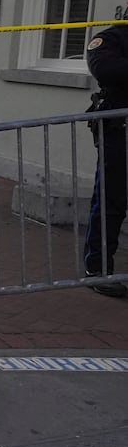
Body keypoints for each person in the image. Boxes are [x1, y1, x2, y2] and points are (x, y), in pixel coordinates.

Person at [84, 17, 128, 298]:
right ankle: (98, 269)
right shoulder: (111, 38)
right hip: (119, 133)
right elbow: (106, 69)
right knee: (111, 201)